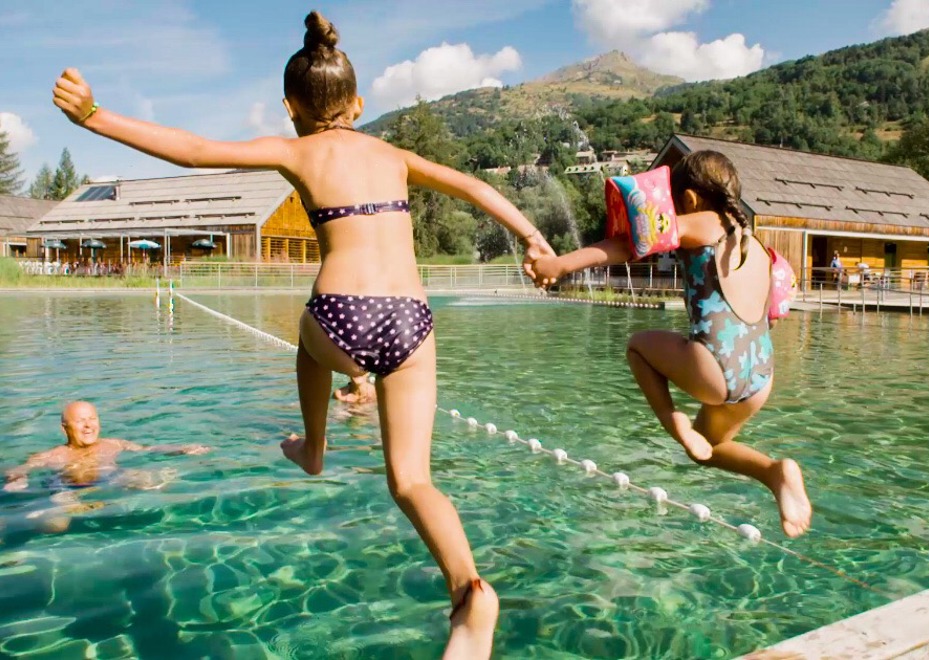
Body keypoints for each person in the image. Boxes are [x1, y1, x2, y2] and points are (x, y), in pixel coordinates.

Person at [52, 12, 553, 657]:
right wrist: (535, 239)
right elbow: (476, 187)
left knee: (306, 336)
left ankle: (315, 446)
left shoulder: (296, 149)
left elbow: (196, 150)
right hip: (413, 321)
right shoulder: (395, 154)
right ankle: (469, 589)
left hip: (342, 314)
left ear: (290, 107)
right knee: (413, 481)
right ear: (360, 104)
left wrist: (95, 116)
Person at [527, 151, 812, 539]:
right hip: (760, 376)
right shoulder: (757, 247)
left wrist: (559, 266)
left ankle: (674, 423)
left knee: (638, 346)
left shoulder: (703, 222)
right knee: (711, 448)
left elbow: (632, 246)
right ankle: (774, 473)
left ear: (690, 199)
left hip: (715, 366)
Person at [3, 401, 209, 492]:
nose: (88, 425)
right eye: (80, 421)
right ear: (64, 428)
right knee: (57, 522)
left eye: (92, 419)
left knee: (155, 481)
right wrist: (18, 477)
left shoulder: (113, 444)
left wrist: (181, 448)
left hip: (110, 480)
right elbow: (23, 468)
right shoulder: (54, 454)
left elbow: (148, 449)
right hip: (66, 488)